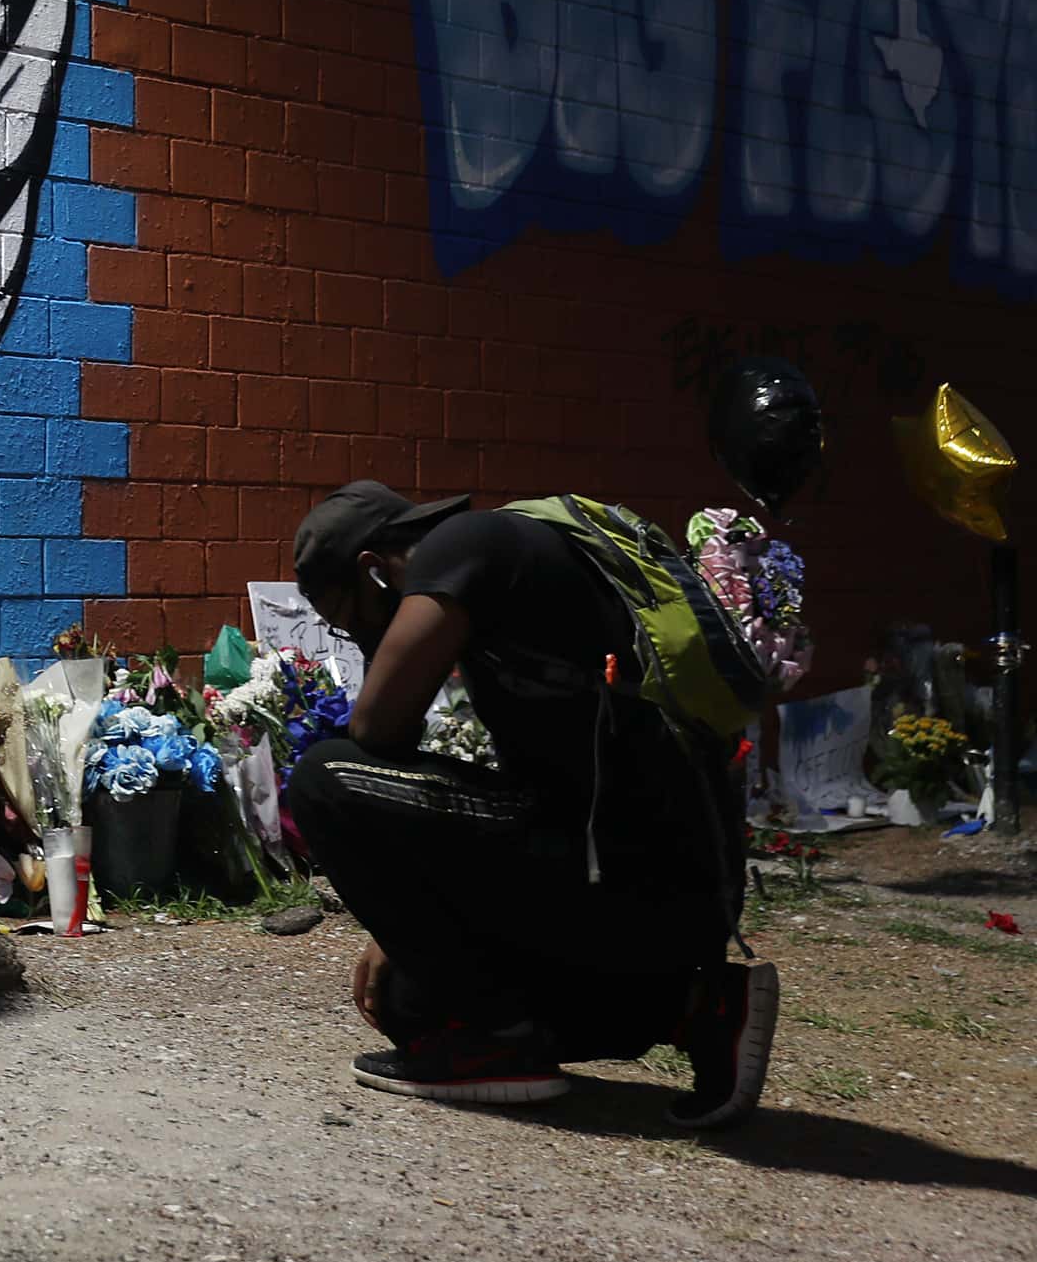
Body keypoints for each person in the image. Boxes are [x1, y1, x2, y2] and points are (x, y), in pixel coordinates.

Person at [282, 482, 776, 1125]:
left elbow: (378, 731)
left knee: (324, 779)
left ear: (373, 571)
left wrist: (384, 647)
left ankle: (501, 1041)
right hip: (659, 894)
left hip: (637, 879)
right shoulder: (514, 588)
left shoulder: (464, 545)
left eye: (343, 618)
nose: (350, 637)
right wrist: (400, 927)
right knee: (408, 1002)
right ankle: (703, 1009)